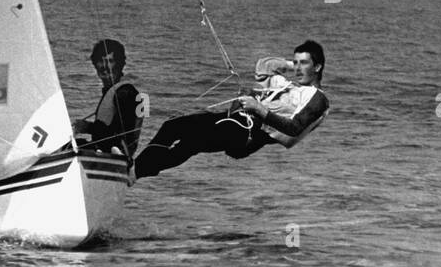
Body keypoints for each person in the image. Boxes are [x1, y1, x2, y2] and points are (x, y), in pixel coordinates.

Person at [133, 39, 328, 179]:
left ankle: (136, 172)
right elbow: (264, 65)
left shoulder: (317, 98)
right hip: (233, 120)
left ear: (317, 67)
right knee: (172, 124)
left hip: (248, 133)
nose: (298, 68)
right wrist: (292, 64)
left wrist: (258, 108)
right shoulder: (286, 85)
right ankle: (134, 169)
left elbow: (295, 128)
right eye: (296, 63)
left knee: (192, 141)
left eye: (304, 63)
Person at [72, 38, 146, 160]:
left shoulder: (125, 93)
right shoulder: (112, 92)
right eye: (100, 61)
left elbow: (122, 134)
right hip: (103, 152)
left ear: (121, 64)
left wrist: (87, 127)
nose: (104, 67)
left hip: (115, 157)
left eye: (110, 61)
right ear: (95, 65)